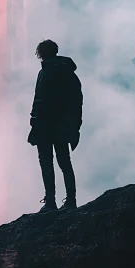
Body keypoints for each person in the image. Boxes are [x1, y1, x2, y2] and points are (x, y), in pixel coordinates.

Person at [27, 39, 83, 213]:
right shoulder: (69, 72)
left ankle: (50, 201)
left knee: (46, 162)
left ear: (41, 53)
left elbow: (40, 101)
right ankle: (71, 200)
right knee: (64, 161)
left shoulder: (45, 72)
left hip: (45, 125)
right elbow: (77, 100)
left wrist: (34, 121)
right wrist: (74, 125)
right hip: (62, 125)